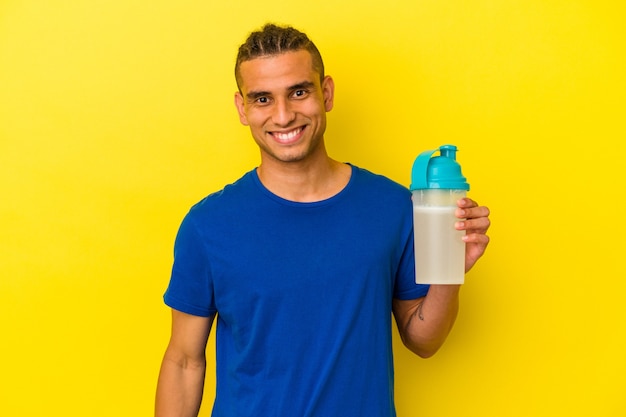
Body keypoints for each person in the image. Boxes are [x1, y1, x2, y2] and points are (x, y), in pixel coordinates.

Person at [155, 23, 491, 417]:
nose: (283, 115)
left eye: (299, 92)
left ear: (326, 92)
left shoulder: (392, 206)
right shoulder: (208, 225)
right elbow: (183, 361)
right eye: (262, 99)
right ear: (242, 108)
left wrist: (451, 268)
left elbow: (423, 341)